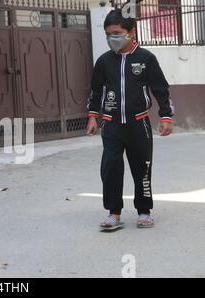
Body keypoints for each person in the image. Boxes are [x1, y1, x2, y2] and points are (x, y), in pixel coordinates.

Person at [86, 9, 175, 230]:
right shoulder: (104, 61)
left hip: (139, 123)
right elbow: (96, 91)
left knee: (142, 168)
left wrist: (166, 116)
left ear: (131, 32)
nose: (112, 38)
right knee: (110, 168)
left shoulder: (146, 59)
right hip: (112, 124)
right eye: (108, 34)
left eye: (117, 32)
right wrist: (93, 116)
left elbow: (161, 89)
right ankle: (113, 214)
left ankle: (144, 211)